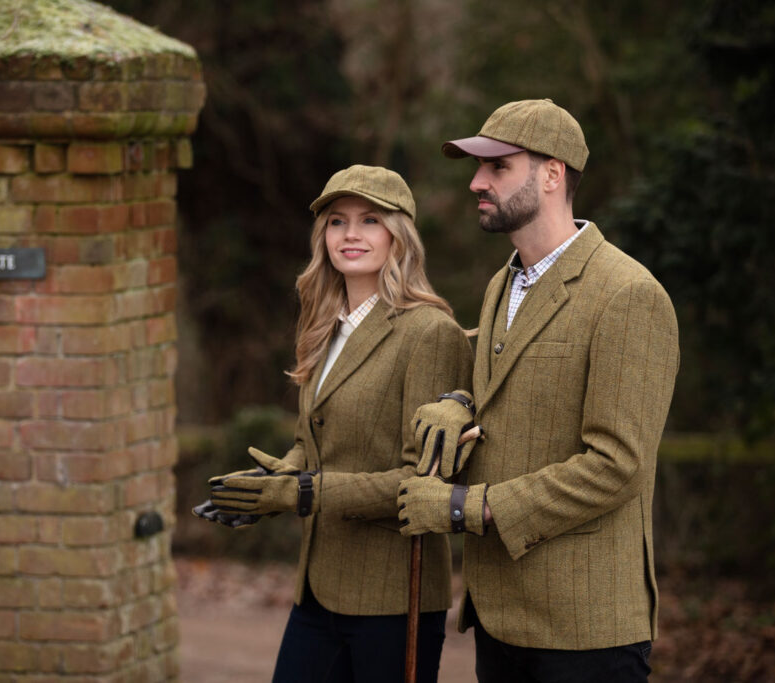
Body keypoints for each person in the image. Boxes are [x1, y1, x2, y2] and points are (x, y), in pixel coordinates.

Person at [396, 99, 680, 682]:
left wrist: (465, 507)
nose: (477, 182)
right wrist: (458, 402)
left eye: (497, 166)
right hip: (500, 618)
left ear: (552, 174)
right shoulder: (502, 284)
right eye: (480, 167)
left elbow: (617, 465)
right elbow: (506, 387)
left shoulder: (629, 295)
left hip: (583, 630)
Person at [195, 165, 473, 682]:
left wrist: (300, 493)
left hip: (393, 596)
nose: (350, 234)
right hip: (317, 588)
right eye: (337, 221)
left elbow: (424, 482)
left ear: (399, 235)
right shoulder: (324, 324)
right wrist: (272, 483)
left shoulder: (430, 332)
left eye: (370, 220)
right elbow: (312, 442)